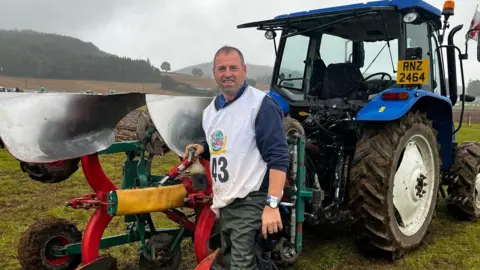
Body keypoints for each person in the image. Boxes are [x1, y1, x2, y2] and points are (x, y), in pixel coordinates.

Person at [184, 45, 289, 269]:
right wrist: (204, 147)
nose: (227, 73)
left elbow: (278, 157)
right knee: (236, 259)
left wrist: (272, 205)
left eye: (233, 67)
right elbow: (229, 143)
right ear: (214, 74)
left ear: (244, 70)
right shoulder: (211, 111)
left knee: (242, 263)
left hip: (251, 198)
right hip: (226, 201)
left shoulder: (261, 105)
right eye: (222, 68)